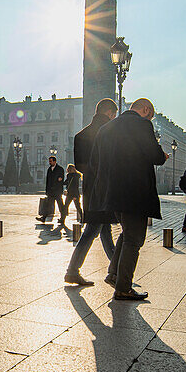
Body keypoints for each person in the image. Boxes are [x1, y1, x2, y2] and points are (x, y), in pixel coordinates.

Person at [85, 98, 168, 301]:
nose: (150, 118)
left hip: (111, 193)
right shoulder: (142, 124)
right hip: (134, 191)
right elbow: (155, 155)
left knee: (126, 233)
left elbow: (94, 162)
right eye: (150, 115)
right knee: (134, 238)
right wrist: (162, 155)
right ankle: (123, 287)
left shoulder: (105, 129)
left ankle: (114, 273)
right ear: (146, 110)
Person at [64, 98, 118, 286]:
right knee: (93, 230)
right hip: (106, 189)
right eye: (114, 115)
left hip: (90, 188)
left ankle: (117, 269)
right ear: (110, 113)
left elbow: (80, 166)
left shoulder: (81, 135)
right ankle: (72, 271)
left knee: (104, 230)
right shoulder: (111, 133)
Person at [40, 155, 66, 224]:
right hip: (51, 192)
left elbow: (61, 179)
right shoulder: (49, 169)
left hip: (57, 192)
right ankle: (43, 218)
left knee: (60, 205)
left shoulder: (60, 169)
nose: (49, 162)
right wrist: (47, 191)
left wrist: (60, 179)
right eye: (49, 161)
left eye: (51, 161)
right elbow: (47, 181)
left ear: (55, 161)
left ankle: (63, 218)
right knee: (48, 205)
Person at [61, 164, 81, 228]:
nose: (68, 170)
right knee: (66, 206)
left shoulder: (76, 176)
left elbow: (75, 186)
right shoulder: (69, 175)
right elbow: (66, 182)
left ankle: (83, 218)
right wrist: (60, 181)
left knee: (77, 206)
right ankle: (62, 219)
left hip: (74, 193)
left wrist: (75, 196)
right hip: (70, 193)